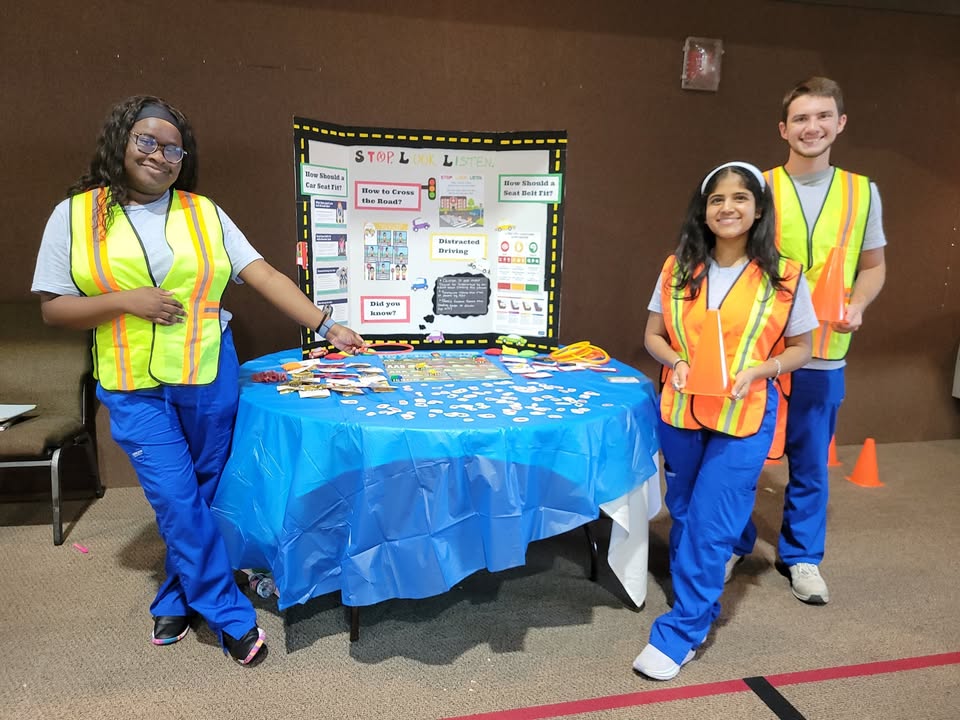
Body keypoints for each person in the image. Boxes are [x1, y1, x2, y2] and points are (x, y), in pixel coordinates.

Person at [30, 95, 367, 667]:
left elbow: (260, 272)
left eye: (173, 148)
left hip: (208, 375)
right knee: (176, 500)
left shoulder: (204, 212)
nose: (160, 155)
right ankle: (228, 612)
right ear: (121, 141)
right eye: (147, 141)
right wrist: (127, 302)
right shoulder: (75, 214)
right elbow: (53, 308)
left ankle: (175, 593)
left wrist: (326, 323)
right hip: (133, 384)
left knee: (207, 493)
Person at [633, 162, 818, 680]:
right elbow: (654, 336)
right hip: (683, 410)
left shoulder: (785, 274)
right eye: (717, 199)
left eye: (740, 198)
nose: (728, 207)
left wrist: (766, 367)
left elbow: (802, 347)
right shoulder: (677, 267)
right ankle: (703, 598)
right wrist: (675, 360)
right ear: (704, 209)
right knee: (687, 513)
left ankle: (682, 632)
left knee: (711, 524)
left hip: (744, 414)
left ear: (758, 209)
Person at [727, 78, 887, 605]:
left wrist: (859, 304)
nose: (811, 127)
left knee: (811, 461)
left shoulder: (863, 192)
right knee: (741, 458)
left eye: (822, 116)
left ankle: (802, 557)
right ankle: (734, 543)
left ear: (840, 123)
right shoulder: (760, 187)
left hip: (823, 355)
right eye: (800, 118)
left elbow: (873, 267)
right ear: (783, 129)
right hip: (761, 353)